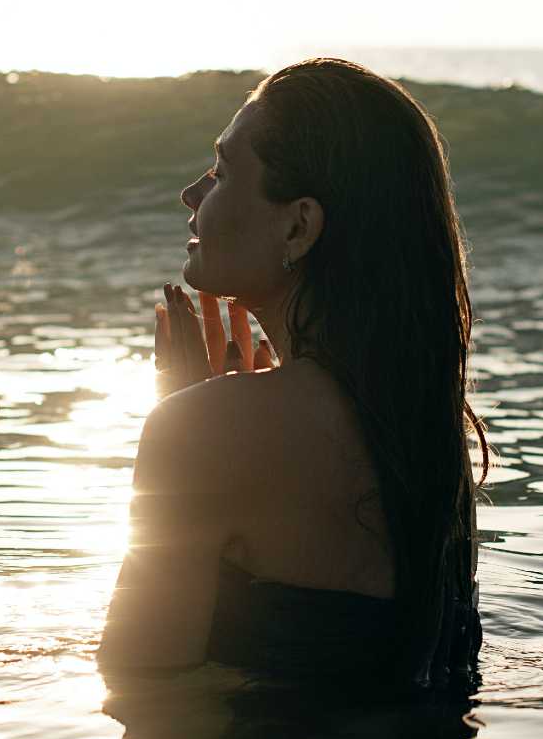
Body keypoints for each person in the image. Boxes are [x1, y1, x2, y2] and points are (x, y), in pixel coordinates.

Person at [98, 57, 489, 692]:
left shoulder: (209, 430)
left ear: (299, 225)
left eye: (223, 173)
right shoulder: (430, 433)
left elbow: (135, 684)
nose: (192, 195)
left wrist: (191, 418)